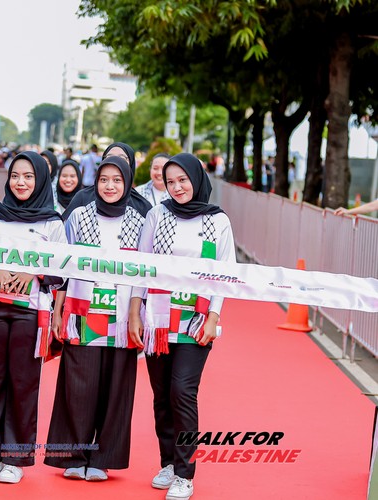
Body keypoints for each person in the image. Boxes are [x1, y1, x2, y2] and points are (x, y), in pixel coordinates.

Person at [129, 153, 236, 500]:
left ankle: (185, 474)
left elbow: (225, 272)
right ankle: (169, 463)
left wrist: (214, 317)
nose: (176, 187)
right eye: (170, 181)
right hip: (158, 320)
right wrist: (135, 310)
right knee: (162, 394)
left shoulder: (217, 220)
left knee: (182, 392)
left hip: (195, 320)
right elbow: (142, 266)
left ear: (196, 178)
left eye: (182, 180)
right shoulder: (157, 215)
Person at [45, 156, 145, 481]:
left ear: (127, 183)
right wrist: (58, 309)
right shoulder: (78, 215)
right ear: (96, 182)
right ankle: (73, 455)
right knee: (78, 385)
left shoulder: (141, 221)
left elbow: (146, 273)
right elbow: (63, 265)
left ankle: (104, 458)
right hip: (82, 313)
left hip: (122, 316)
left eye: (117, 180)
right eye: (104, 180)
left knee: (116, 389)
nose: (110, 186)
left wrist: (137, 313)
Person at [0, 151, 66, 484]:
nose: (20, 182)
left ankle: (15, 459)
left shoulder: (52, 222)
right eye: (15, 176)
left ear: (40, 180)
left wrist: (34, 273)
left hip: (31, 312)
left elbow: (61, 268)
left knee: (23, 383)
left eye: (28, 176)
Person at [62, 142, 152, 220]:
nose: (115, 161)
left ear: (131, 164)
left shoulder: (142, 207)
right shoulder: (83, 198)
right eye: (109, 157)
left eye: (122, 158)